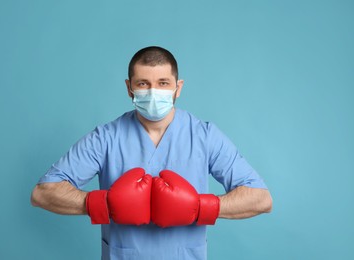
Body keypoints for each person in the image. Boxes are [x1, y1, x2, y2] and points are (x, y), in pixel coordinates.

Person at [31, 46, 273, 260]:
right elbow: (43, 194)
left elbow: (261, 199)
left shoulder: (204, 135)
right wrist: (103, 204)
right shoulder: (105, 137)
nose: (153, 92)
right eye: (143, 84)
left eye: (163, 83)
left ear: (178, 88)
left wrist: (200, 207)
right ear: (129, 88)